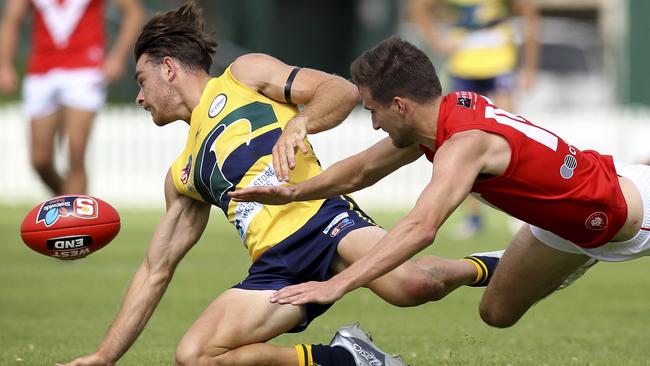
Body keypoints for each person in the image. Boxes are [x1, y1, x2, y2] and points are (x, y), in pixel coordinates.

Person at [57, 4, 503, 366]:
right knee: (195, 356)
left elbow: (341, 91)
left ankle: (487, 264)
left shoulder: (243, 77)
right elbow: (155, 271)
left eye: (141, 81)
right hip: (276, 267)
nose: (138, 96)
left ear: (169, 68)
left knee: (412, 287)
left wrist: (300, 124)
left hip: (324, 220)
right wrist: (104, 356)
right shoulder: (183, 175)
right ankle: (345, 358)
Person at [230, 36, 649, 330]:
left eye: (374, 111)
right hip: (566, 223)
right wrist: (293, 192)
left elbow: (421, 228)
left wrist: (336, 285)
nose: (374, 124)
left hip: (629, 214)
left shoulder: (464, 144)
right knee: (496, 313)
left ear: (401, 105)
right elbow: (360, 170)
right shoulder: (436, 123)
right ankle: (547, 255)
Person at [408, 0, 540, 237]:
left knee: (511, 136)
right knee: (456, 141)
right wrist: (437, 41)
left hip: (500, 65)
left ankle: (522, 212)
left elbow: (530, 13)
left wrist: (529, 68)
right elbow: (418, 8)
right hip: (463, 68)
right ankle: (473, 217)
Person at [0, 0, 144, 194]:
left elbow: (134, 13)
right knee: (40, 161)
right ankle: (67, 202)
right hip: (41, 70)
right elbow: (12, 19)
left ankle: (75, 218)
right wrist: (4, 64)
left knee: (76, 154)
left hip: (84, 69)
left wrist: (117, 57)